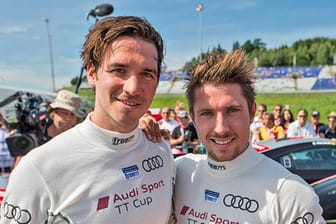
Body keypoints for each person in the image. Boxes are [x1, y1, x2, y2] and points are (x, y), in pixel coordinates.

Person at [0, 16, 175, 224]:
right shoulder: (38, 169)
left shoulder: (161, 149)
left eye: (147, 73)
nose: (133, 88)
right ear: (92, 73)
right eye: (119, 70)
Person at [172, 49, 325, 223]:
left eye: (232, 110)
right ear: (193, 118)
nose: (221, 129)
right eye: (207, 113)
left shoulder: (291, 193)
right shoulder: (179, 171)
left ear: (252, 112)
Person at [12, 89, 85, 168]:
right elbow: (18, 168)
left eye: (72, 114)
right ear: (53, 113)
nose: (68, 118)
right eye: (64, 113)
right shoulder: (35, 136)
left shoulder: (77, 139)